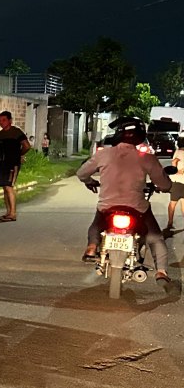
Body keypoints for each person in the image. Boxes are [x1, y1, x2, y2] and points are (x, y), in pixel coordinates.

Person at [77, 117, 172, 283]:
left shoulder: (103, 154)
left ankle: (92, 247)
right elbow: (165, 184)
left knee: (96, 225)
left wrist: (90, 181)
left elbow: (81, 173)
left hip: (107, 206)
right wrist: (162, 187)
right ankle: (161, 271)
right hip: (137, 207)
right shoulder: (147, 158)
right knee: (155, 237)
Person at [0, 110, 31, 221]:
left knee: (9, 186)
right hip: (3, 163)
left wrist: (19, 154)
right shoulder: (0, 134)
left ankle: (13, 213)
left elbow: (27, 146)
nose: (1, 122)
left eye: (4, 120)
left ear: (10, 120)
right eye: (0, 120)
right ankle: (8, 212)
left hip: (12, 164)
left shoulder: (16, 132)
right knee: (4, 187)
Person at [168, 145, 184, 233]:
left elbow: (174, 161)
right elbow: (174, 161)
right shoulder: (181, 152)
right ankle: (170, 223)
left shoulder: (178, 151)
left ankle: (170, 223)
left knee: (174, 203)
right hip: (179, 182)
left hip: (178, 182)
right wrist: (177, 171)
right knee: (175, 203)